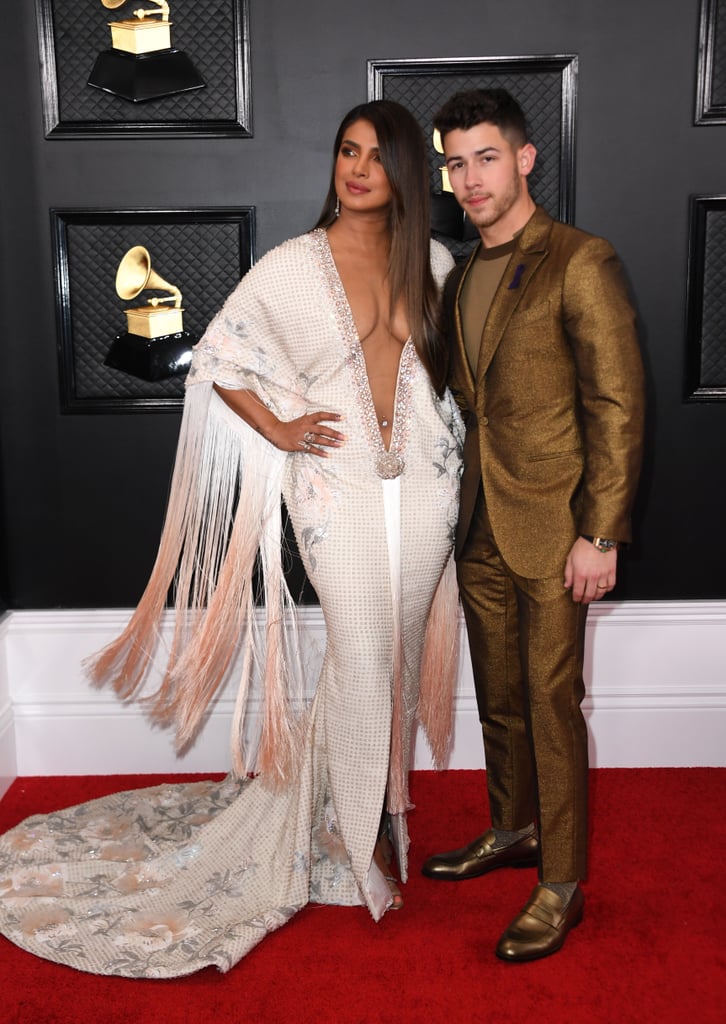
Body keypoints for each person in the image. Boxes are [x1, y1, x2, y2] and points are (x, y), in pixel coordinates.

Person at [0, 100, 463, 978]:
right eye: (346, 151)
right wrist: (282, 430)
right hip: (335, 490)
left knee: (393, 656)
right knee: (362, 654)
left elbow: (451, 382)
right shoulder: (294, 267)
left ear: (405, 170)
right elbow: (215, 359)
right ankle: (365, 838)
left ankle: (351, 812)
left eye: (375, 155)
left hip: (429, 489)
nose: (357, 168)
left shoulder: (433, 263)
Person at [421, 89, 645, 962]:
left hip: (557, 529)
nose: (468, 179)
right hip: (478, 520)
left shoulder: (581, 261)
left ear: (524, 160)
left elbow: (617, 405)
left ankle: (562, 881)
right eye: (454, 163)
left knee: (551, 702)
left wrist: (602, 533)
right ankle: (509, 829)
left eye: (484, 157)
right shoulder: (463, 271)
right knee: (500, 698)